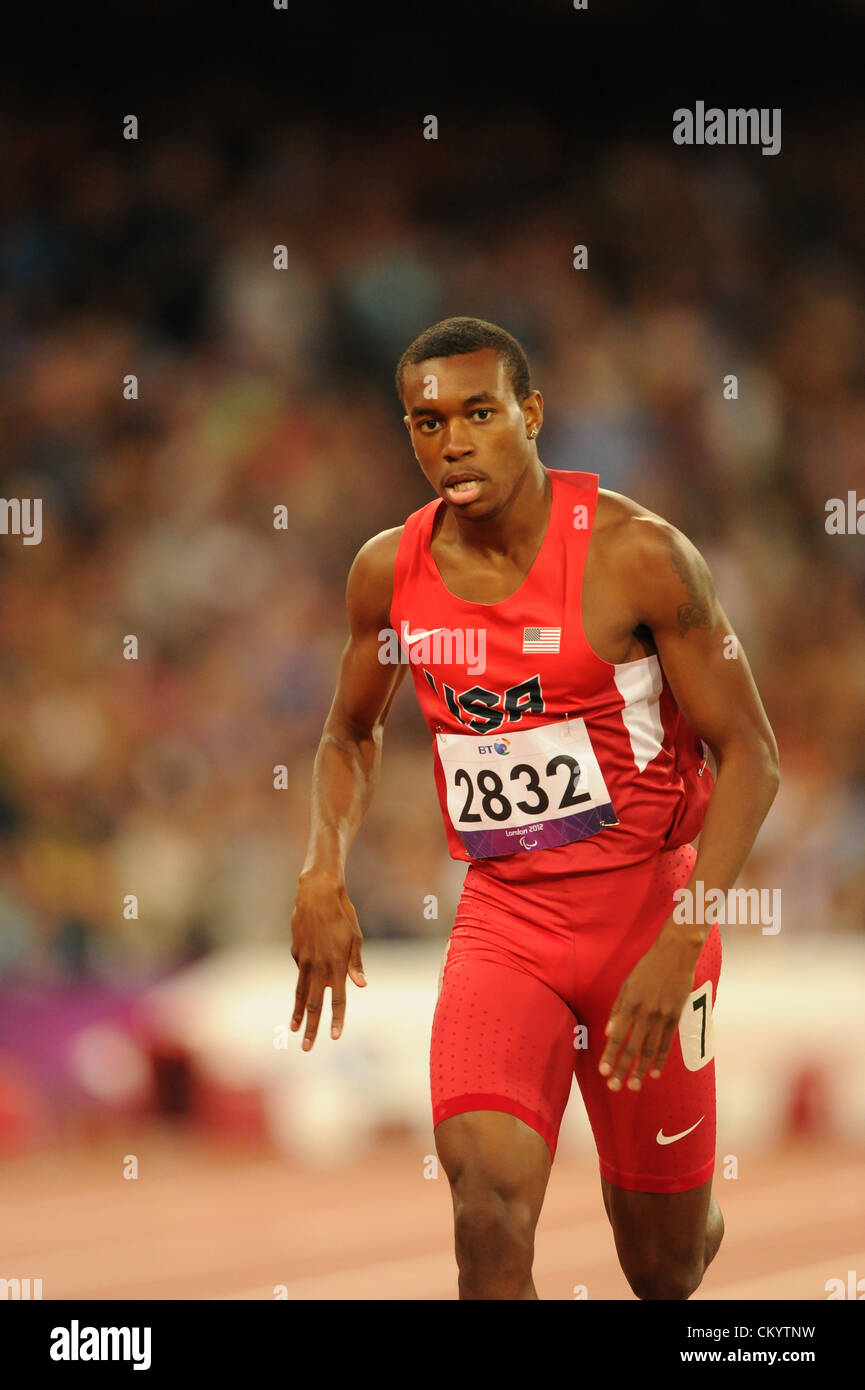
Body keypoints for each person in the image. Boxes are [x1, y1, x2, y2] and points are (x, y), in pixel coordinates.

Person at [290, 316, 780, 1300]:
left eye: (479, 413)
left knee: (662, 1265)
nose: (453, 442)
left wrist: (683, 939)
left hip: (649, 918)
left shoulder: (639, 556)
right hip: (505, 922)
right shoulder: (388, 571)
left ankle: (690, 1212)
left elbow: (752, 756)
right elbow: (349, 733)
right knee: (485, 1202)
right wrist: (321, 868)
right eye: (426, 422)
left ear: (532, 413)